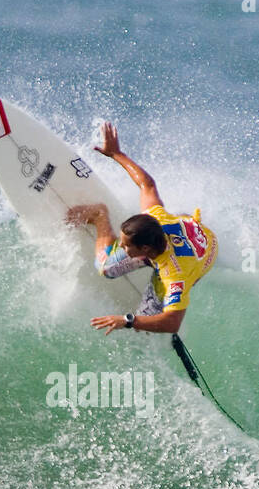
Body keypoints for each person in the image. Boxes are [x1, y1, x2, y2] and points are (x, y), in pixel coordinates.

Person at [66, 122, 216, 336]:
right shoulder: (155, 218)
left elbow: (172, 324)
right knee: (106, 267)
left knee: (144, 326)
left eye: (127, 246)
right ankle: (99, 215)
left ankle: (155, 300)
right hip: (184, 233)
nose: (122, 249)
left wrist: (128, 321)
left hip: (199, 253)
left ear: (145, 249)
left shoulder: (175, 275)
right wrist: (116, 154)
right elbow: (148, 185)